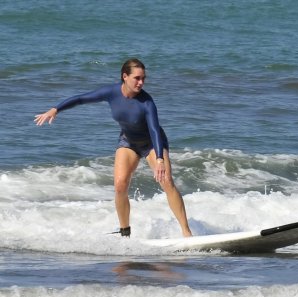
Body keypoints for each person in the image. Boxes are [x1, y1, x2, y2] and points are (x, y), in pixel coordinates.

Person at [34, 58, 192, 237]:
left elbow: (154, 129)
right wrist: (56, 109)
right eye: (137, 78)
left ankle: (186, 232)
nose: (141, 83)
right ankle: (125, 233)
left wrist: (160, 159)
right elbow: (80, 99)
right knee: (119, 186)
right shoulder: (111, 92)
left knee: (167, 182)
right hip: (128, 142)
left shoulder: (147, 102)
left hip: (152, 144)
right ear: (125, 76)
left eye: (143, 79)